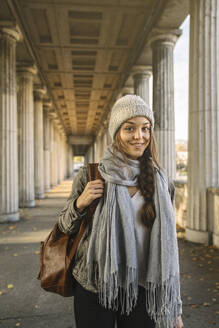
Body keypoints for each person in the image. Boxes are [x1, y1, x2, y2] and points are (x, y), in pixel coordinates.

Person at [58, 95, 184, 328]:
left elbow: (168, 245)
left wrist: (174, 307)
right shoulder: (91, 175)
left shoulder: (162, 183)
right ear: (116, 132)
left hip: (143, 287)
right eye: (130, 128)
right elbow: (64, 227)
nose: (139, 136)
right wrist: (80, 203)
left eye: (145, 129)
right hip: (95, 284)